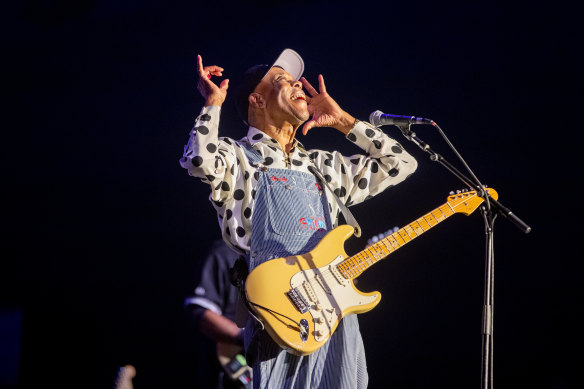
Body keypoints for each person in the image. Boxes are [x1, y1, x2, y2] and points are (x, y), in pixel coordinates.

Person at [179, 48, 418, 388]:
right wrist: (213, 103)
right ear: (257, 100)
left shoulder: (322, 167)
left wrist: (345, 122)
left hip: (334, 313)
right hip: (278, 313)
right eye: (282, 82)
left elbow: (402, 164)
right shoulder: (238, 158)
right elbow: (199, 159)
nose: (299, 88)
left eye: (297, 82)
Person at [184, 239, 251, 389]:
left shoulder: (278, 259)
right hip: (232, 368)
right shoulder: (224, 252)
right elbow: (200, 312)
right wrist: (245, 337)